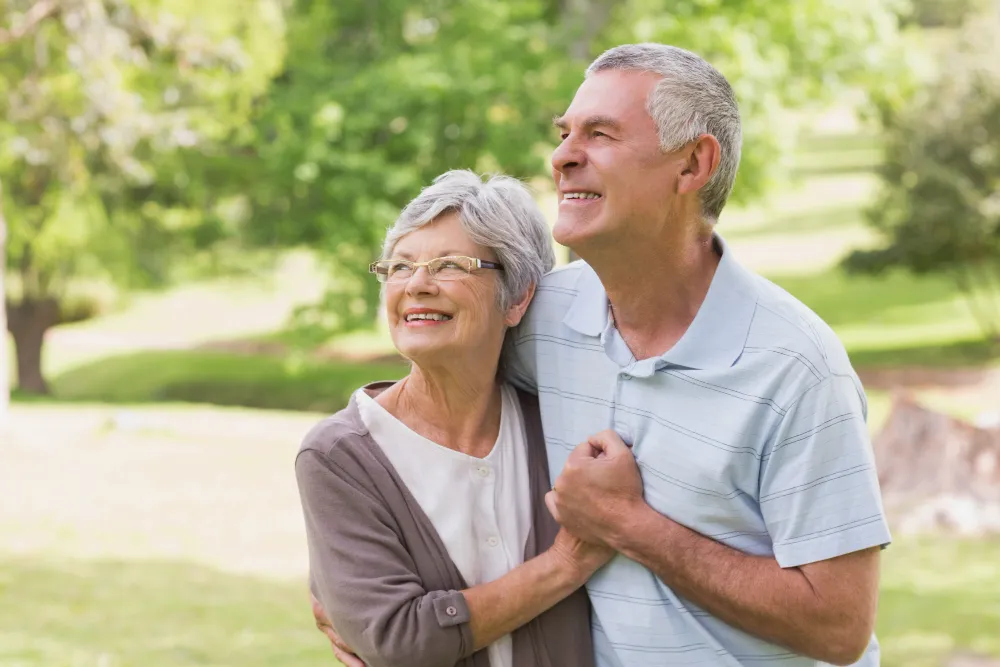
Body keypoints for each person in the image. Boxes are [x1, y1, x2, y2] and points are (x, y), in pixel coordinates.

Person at [314, 42, 892, 667]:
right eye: (564, 134)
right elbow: (433, 389)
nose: (562, 157)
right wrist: (364, 599)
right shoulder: (542, 321)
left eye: (600, 134)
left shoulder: (795, 367)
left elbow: (839, 629)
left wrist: (629, 525)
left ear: (693, 164)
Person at [295, 170, 607, 667]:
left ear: (519, 295)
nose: (417, 284)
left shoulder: (562, 424)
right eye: (399, 267)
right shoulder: (339, 456)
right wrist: (564, 564)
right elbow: (400, 640)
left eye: (449, 265)